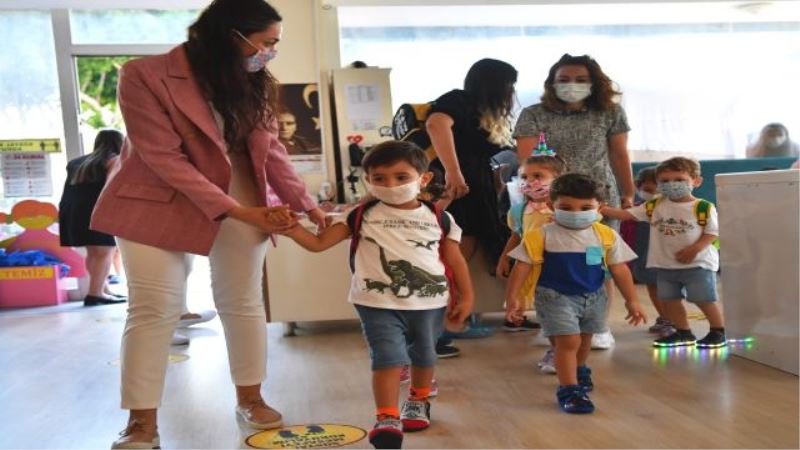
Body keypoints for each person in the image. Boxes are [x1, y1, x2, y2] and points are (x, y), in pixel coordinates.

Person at [89, 1, 328, 448]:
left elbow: (271, 150)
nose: (270, 52)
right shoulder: (144, 75)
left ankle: (251, 399)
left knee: (242, 300)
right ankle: (141, 423)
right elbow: (162, 156)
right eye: (267, 42)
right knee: (154, 308)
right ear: (230, 34)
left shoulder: (253, 79)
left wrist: (306, 205)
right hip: (155, 197)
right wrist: (236, 210)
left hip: (240, 191)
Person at [280, 141, 474, 449]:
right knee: (387, 357)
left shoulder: (440, 218)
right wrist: (292, 229)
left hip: (429, 303)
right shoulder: (360, 215)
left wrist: (467, 297)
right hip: (376, 303)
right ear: (368, 180)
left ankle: (418, 400)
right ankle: (387, 417)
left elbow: (455, 259)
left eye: (401, 177)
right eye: (379, 178)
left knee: (424, 355)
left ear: (423, 179)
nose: (390, 185)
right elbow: (318, 244)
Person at [513, 53, 636, 349]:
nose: (572, 85)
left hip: (597, 197)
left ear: (594, 83)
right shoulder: (533, 114)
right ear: (552, 83)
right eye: (564, 79)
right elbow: (528, 160)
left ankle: (598, 326)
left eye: (580, 79)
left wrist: (629, 192)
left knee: (598, 260)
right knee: (551, 258)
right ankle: (554, 323)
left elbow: (619, 154)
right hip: (552, 198)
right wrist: (535, 193)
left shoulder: (610, 112)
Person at [505, 173, 646, 414]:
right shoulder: (541, 235)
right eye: (566, 207)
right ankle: (569, 389)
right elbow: (522, 266)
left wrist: (632, 300)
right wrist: (513, 298)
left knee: (584, 341)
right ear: (551, 206)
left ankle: (579, 370)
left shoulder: (605, 235)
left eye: (585, 208)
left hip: (593, 296)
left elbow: (619, 268)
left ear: (600, 207)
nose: (576, 213)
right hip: (555, 296)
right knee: (568, 342)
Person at [426, 58, 517, 337]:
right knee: (452, 259)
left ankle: (453, 318)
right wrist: (453, 172)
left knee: (460, 258)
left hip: (474, 191)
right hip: (458, 190)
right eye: (509, 85)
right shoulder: (459, 100)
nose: (511, 92)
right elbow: (436, 124)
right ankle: (443, 323)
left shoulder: (484, 112)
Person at [601, 157, 726, 349]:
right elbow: (628, 214)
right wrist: (602, 209)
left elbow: (712, 233)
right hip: (665, 265)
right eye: (665, 181)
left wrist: (694, 249)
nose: (671, 184)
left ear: (696, 181)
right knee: (670, 300)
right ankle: (683, 332)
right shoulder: (655, 205)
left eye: (679, 179)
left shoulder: (702, 207)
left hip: (698, 264)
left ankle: (718, 331)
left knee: (704, 299)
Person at [496, 152, 566, 332]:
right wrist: (504, 258)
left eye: (538, 176)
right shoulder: (519, 211)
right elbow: (516, 235)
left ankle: (558, 328)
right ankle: (515, 318)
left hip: (555, 262)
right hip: (527, 262)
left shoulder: (564, 209)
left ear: (557, 179)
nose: (530, 181)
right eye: (525, 177)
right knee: (520, 292)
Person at [59, 129, 127, 306]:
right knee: (105, 252)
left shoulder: (77, 162)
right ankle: (95, 294)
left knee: (94, 253)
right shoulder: (114, 160)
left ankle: (102, 289)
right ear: (120, 143)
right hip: (96, 210)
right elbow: (112, 188)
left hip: (73, 211)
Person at [619, 166, 675, 337]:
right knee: (652, 287)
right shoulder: (637, 208)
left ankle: (672, 320)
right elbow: (624, 221)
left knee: (668, 290)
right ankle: (664, 317)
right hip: (643, 256)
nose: (655, 194)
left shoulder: (672, 207)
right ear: (638, 187)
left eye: (659, 189)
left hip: (666, 258)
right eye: (649, 190)